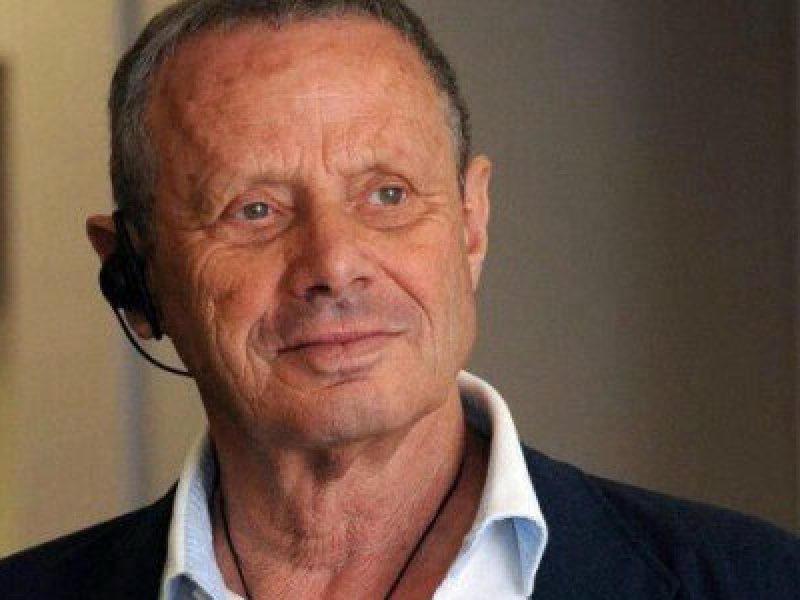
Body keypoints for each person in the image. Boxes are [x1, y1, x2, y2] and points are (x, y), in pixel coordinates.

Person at [0, 1, 797, 598]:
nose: (334, 264)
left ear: (471, 225)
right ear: (134, 275)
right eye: (254, 210)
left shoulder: (756, 582)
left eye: (387, 194)